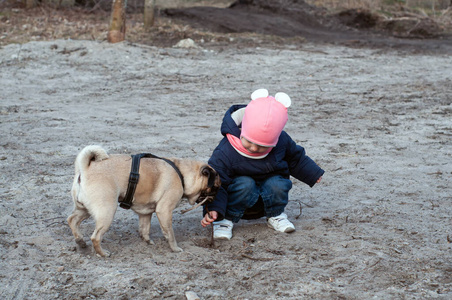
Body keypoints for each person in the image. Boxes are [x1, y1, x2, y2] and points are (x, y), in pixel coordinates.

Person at [201, 88, 324, 240]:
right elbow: (215, 182)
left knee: (278, 183)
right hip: (237, 199)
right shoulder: (226, 150)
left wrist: (312, 172)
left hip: (266, 199)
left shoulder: (281, 141)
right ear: (243, 130)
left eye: (262, 146)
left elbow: (295, 158)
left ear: (276, 140)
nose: (254, 148)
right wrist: (213, 209)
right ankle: (225, 220)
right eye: (249, 142)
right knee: (245, 183)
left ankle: (275, 215)